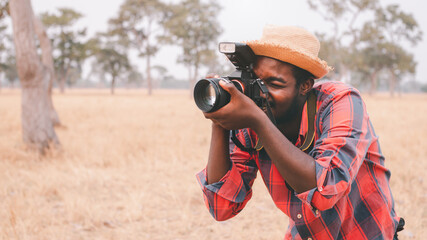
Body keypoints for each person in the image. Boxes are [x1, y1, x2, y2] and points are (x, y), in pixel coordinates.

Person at [196, 25, 404, 240]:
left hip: (365, 233)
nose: (261, 93)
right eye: (255, 83)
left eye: (273, 83)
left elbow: (325, 190)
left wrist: (259, 121)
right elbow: (222, 207)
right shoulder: (251, 120)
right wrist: (218, 120)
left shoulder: (339, 102)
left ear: (305, 86)